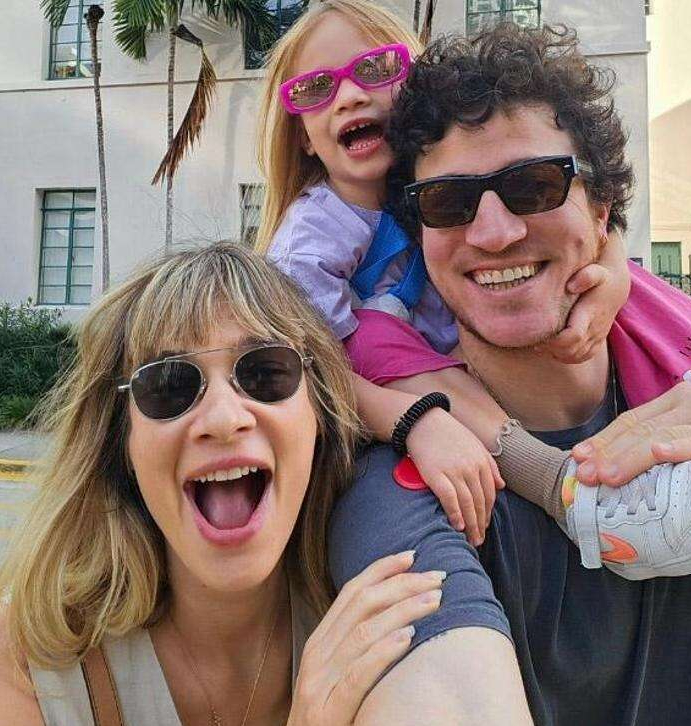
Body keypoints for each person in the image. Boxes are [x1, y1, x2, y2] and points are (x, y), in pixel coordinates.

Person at [329, 25, 691, 726]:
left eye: (534, 186)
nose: (494, 232)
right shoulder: (417, 488)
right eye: (449, 202)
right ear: (421, 239)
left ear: (601, 210)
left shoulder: (684, 382)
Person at [0, 244, 447, 726]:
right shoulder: (20, 677)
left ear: (318, 417)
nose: (224, 420)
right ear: (121, 443)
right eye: (168, 386)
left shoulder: (374, 628)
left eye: (265, 372)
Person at [255, 0, 632, 549]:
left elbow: (592, 213)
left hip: (473, 376)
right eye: (315, 89)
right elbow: (309, 367)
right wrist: (415, 420)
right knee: (373, 336)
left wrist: (615, 276)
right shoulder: (311, 238)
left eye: (375, 68)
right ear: (304, 139)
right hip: (385, 398)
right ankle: (556, 484)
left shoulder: (426, 188)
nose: (350, 95)